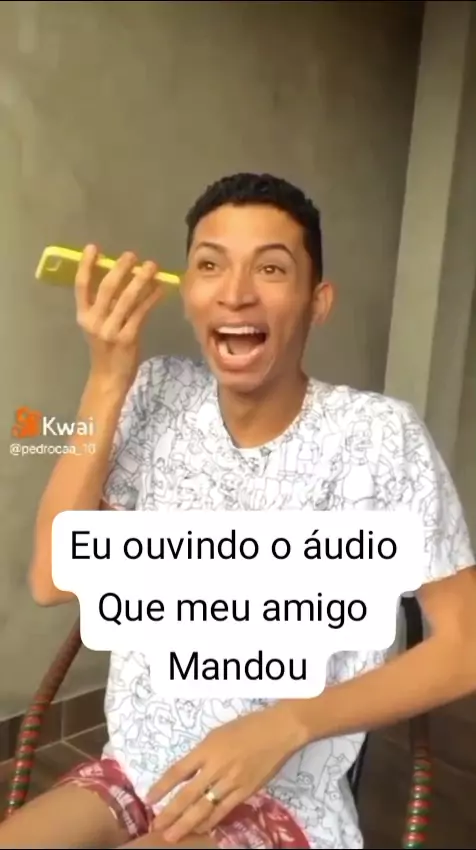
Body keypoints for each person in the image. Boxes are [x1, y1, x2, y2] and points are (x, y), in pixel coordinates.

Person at [1, 172, 475, 850]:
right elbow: (53, 578)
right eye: (210, 265)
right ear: (188, 293)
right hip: (136, 768)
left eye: (271, 268)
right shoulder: (155, 392)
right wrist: (107, 376)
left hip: (281, 794)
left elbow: (464, 646)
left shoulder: (379, 438)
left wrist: (290, 724)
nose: (236, 291)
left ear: (318, 302)